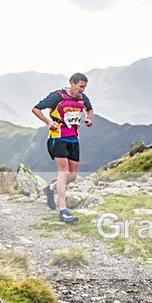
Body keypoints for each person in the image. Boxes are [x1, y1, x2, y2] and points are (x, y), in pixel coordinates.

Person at [31, 73, 93, 223]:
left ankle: (49, 189)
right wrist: (48, 122)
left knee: (72, 176)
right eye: (80, 86)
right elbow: (36, 109)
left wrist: (88, 118)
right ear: (72, 83)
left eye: (85, 87)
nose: (83, 90)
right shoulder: (57, 96)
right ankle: (63, 211)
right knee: (64, 172)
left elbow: (89, 109)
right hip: (58, 138)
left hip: (73, 139)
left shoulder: (82, 98)